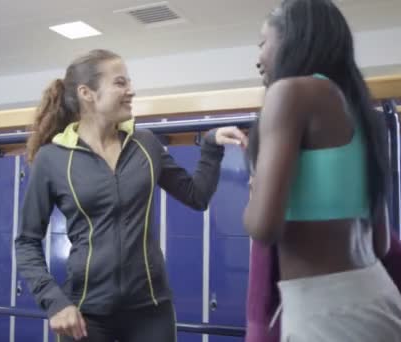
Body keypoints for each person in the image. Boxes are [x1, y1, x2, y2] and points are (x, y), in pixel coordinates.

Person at [14, 49, 247, 342]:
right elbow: (26, 241)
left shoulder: (145, 144)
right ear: (87, 93)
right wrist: (54, 301)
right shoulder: (53, 158)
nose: (131, 91)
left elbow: (195, 196)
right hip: (86, 315)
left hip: (150, 311)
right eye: (120, 83)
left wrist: (211, 145)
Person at [242, 0, 401, 341]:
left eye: (262, 43)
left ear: (291, 38)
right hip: (380, 298)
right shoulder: (359, 109)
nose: (258, 57)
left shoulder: (290, 92)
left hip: (328, 313)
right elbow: (380, 245)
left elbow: (263, 226)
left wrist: (256, 188)